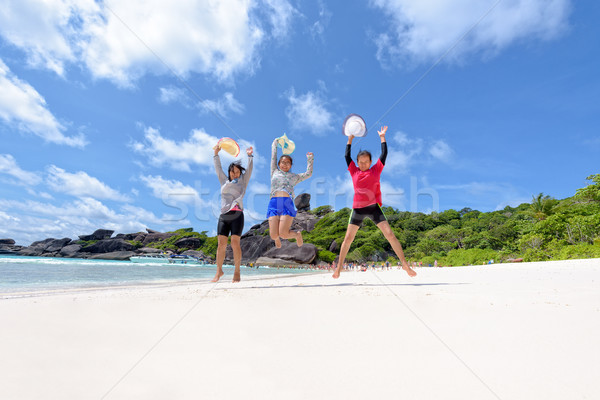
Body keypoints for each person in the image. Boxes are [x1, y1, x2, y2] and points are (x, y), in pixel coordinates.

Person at [332, 126, 417, 279]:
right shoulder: (354, 171)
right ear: (357, 162)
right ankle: (338, 268)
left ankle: (404, 264)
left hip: (373, 208)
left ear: (371, 162)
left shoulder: (376, 170)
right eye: (360, 162)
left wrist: (382, 137)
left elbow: (384, 154)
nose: (363, 164)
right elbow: (346, 156)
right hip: (358, 209)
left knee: (390, 234)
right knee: (348, 238)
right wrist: (350, 140)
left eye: (366, 161)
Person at [212, 144, 254, 282]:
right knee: (221, 244)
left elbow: (249, 170)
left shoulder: (243, 182)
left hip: (237, 215)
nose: (235, 174)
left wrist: (250, 157)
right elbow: (218, 168)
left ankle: (237, 272)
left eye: (237, 172)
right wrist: (216, 154)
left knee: (235, 243)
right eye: (232, 172)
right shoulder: (223, 181)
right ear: (229, 172)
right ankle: (219, 271)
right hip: (224, 216)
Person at [267, 136, 314, 248]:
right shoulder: (274, 171)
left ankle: (297, 235)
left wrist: (310, 159)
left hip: (286, 203)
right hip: (273, 203)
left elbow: (308, 174)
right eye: (283, 162)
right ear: (279, 163)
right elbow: (273, 157)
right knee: (273, 235)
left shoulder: (294, 177)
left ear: (291, 165)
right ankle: (276, 239)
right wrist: (275, 143)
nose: (285, 164)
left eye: (288, 163)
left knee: (284, 233)